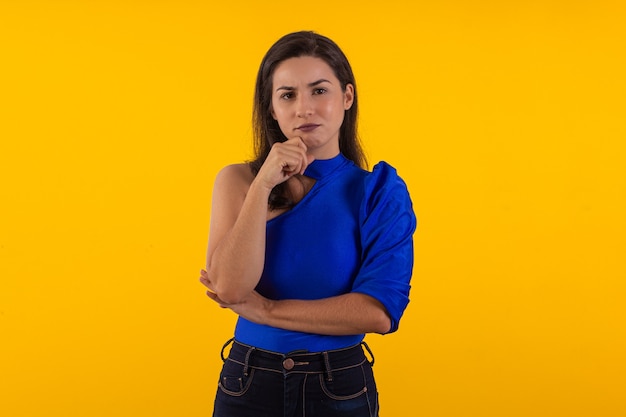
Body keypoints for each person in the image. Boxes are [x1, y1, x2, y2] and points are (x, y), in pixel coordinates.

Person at [199, 31, 416, 417]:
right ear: (271, 109)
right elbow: (230, 287)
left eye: (319, 91)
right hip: (247, 381)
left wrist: (266, 311)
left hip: (337, 384)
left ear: (346, 97)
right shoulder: (238, 182)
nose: (305, 108)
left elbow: (378, 313)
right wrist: (263, 184)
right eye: (288, 95)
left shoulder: (378, 191)